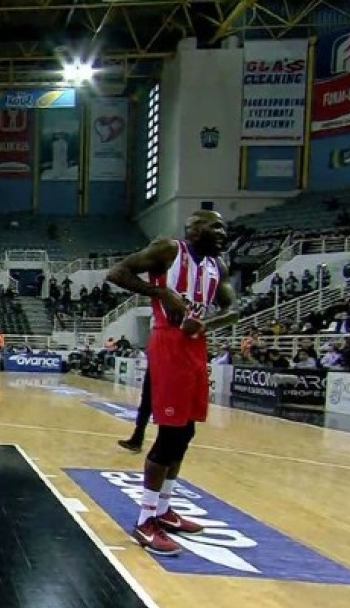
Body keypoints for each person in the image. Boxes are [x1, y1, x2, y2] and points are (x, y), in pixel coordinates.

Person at [104, 210, 237, 555]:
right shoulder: (169, 250)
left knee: (186, 432)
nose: (223, 232)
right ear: (194, 229)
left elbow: (231, 308)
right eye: (216, 226)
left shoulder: (218, 267)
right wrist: (161, 293)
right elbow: (117, 272)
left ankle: (164, 510)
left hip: (196, 346)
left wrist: (206, 324)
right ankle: (145, 520)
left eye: (224, 227)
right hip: (168, 342)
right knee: (170, 435)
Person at [118, 370, 153, 452]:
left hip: (162, 374)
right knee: (144, 408)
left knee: (163, 412)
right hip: (154, 372)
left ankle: (137, 441)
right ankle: (136, 440)